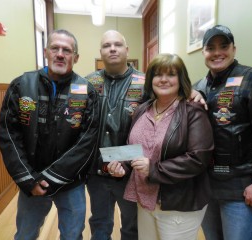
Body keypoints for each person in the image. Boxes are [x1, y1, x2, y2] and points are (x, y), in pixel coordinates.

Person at [0, 29, 100, 240]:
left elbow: (88, 141)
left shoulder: (87, 91)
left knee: (72, 235)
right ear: (46, 52)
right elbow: (8, 135)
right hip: (31, 181)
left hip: (71, 183)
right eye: (55, 48)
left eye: (67, 50)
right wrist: (28, 179)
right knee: (25, 234)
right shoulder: (21, 86)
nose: (60, 54)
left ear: (76, 57)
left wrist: (53, 177)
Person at [193, 25, 252, 240]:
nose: (217, 52)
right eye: (211, 48)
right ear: (204, 53)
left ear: (234, 49)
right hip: (207, 187)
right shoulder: (198, 86)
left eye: (224, 46)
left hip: (241, 189)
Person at [108, 53, 214, 240]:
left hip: (178, 202)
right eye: (158, 74)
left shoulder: (192, 110)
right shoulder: (143, 109)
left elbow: (199, 158)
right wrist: (121, 165)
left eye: (171, 74)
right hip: (145, 199)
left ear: (181, 79)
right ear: (150, 80)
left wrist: (154, 169)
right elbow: (134, 147)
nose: (164, 79)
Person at [85, 30, 145, 240]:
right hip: (96, 173)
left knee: (132, 227)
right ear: (100, 52)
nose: (112, 48)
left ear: (127, 50)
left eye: (117, 44)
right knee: (100, 224)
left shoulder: (146, 83)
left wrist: (193, 92)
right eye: (107, 45)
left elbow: (154, 133)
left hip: (131, 174)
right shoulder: (87, 83)